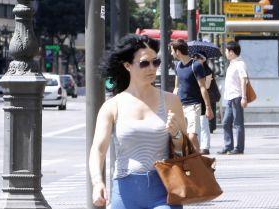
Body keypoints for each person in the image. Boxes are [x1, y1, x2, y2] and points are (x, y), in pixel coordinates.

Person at [89, 34, 186, 209]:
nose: (152, 68)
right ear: (127, 66)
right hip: (125, 191)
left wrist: (176, 133)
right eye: (144, 63)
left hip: (164, 189)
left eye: (155, 62)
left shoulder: (171, 101)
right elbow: (98, 149)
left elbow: (186, 149)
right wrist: (97, 183)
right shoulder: (112, 106)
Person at [171, 39, 214, 151]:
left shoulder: (196, 66)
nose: (171, 53)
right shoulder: (178, 66)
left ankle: (199, 161)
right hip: (180, 106)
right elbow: (176, 87)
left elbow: (203, 87)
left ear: (178, 52)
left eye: (172, 51)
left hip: (194, 106)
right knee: (181, 137)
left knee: (192, 136)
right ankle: (191, 161)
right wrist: (171, 104)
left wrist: (208, 108)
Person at [218, 41, 248, 155]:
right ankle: (228, 146)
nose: (225, 52)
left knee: (238, 123)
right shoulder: (232, 63)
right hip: (230, 98)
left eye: (226, 50)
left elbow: (243, 79)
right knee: (226, 122)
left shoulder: (240, 64)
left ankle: (239, 148)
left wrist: (244, 97)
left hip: (237, 97)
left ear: (231, 52)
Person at [192, 53, 219, 155]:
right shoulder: (193, 69)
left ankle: (205, 146)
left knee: (203, 123)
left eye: (197, 58)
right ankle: (197, 145)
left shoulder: (207, 71)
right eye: (194, 57)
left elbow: (206, 86)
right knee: (196, 123)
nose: (194, 59)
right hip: (195, 99)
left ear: (203, 59)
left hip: (204, 99)